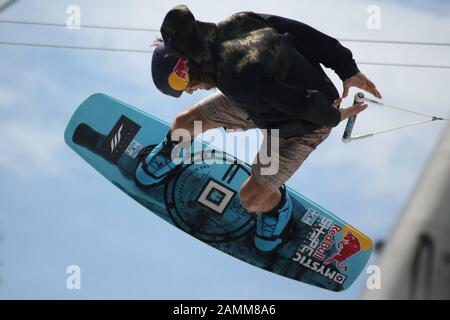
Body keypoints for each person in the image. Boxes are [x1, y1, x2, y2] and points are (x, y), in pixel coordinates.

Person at [140, 5, 382, 252]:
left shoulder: (237, 78)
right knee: (184, 125)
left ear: (190, 62)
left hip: (300, 126)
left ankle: (277, 209)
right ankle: (170, 151)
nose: (189, 89)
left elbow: (297, 103)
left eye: (182, 80)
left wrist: (332, 115)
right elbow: (299, 32)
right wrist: (346, 66)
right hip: (263, 104)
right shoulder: (237, 22)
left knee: (252, 199)